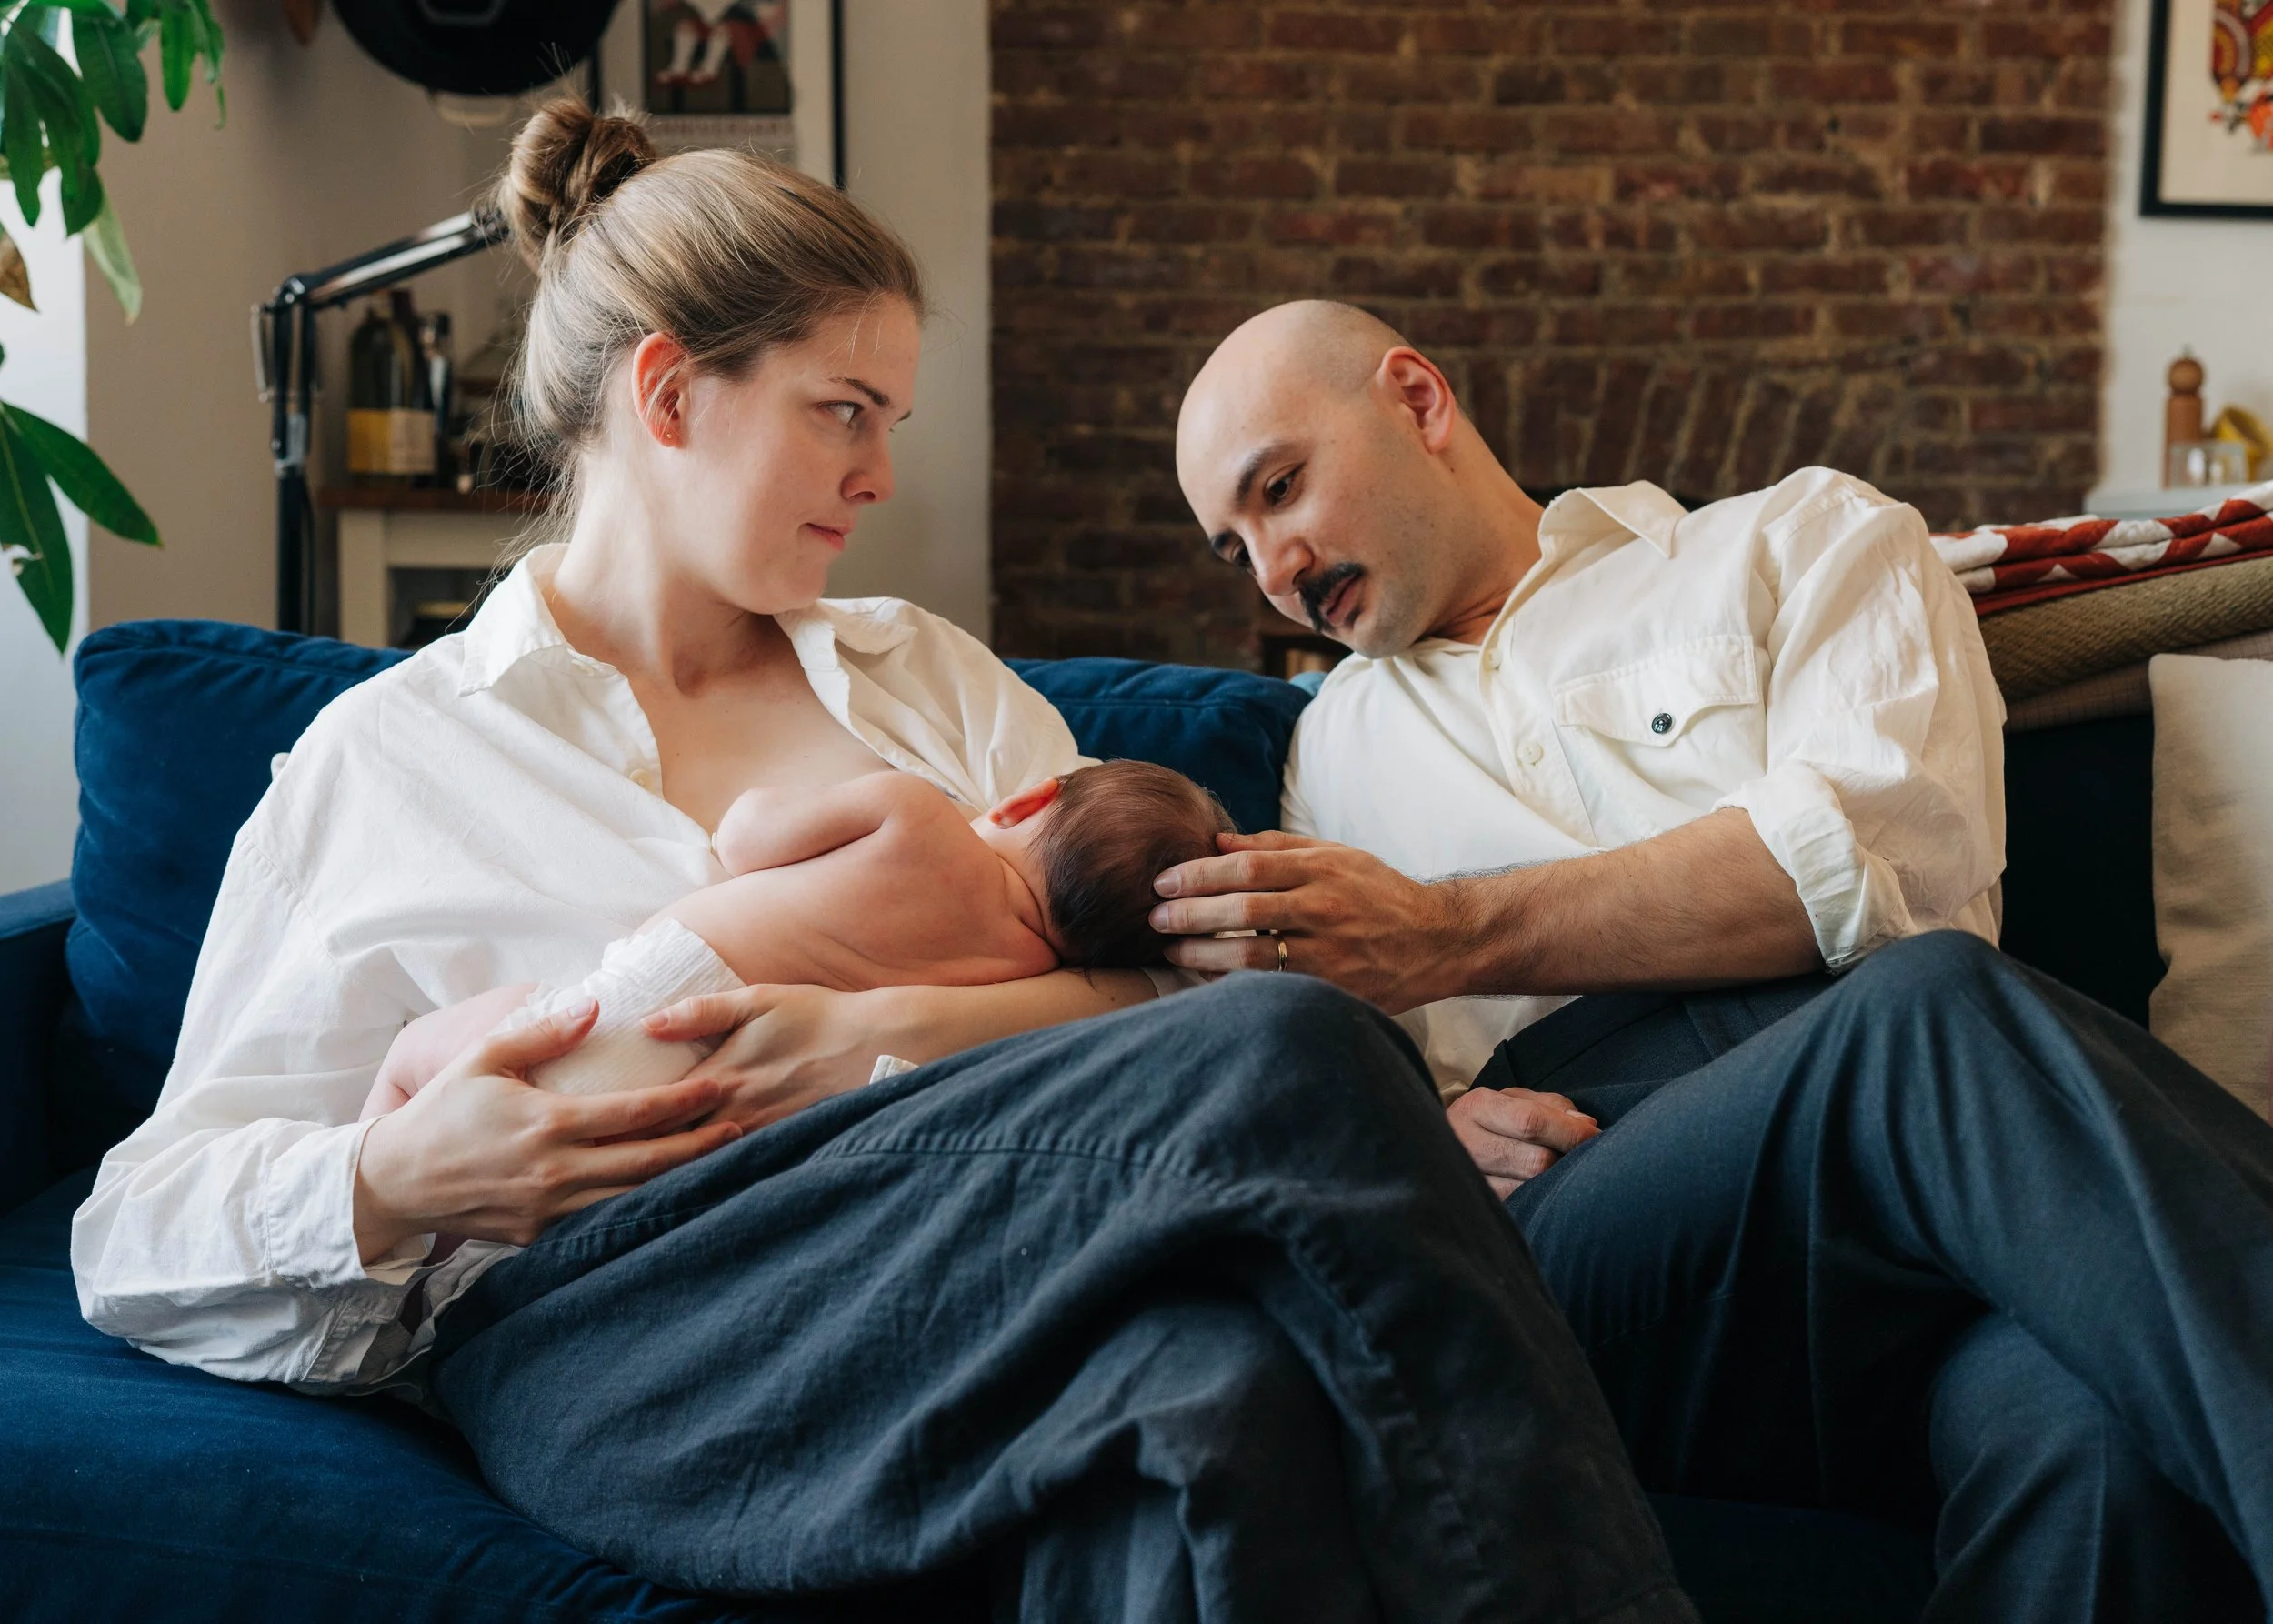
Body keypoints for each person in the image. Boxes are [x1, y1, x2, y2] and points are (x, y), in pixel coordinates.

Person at [69, 109, 1696, 1622]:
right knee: (1292, 1047)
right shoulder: (391, 759)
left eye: (888, 424)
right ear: (668, 396)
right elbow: (135, 1225)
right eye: (843, 412)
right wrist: (397, 1178)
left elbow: (1163, 972)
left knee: (1220, 1392)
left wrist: (874, 1032)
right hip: (615, 1322)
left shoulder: (925, 682)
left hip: (975, 1241)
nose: (881, 474)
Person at [1157, 299, 2273, 1619]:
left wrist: (1447, 930)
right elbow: (1315, 1077)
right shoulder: (1322, 753)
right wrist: (1429, 1125)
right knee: (1925, 1013)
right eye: (1236, 548)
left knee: (2091, 1437)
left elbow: (1879, 853)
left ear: (1416, 399)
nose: (1275, 568)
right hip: (1597, 1219)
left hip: (1928, 1191)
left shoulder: (1802, 538)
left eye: (1280, 489)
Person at [358, 760, 1236, 1115]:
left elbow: (744, 836)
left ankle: (380, 1152)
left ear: (1026, 800)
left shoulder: (916, 814)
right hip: (706, 1100)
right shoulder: (1022, 978)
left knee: (428, 1055)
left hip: (637, 1006)